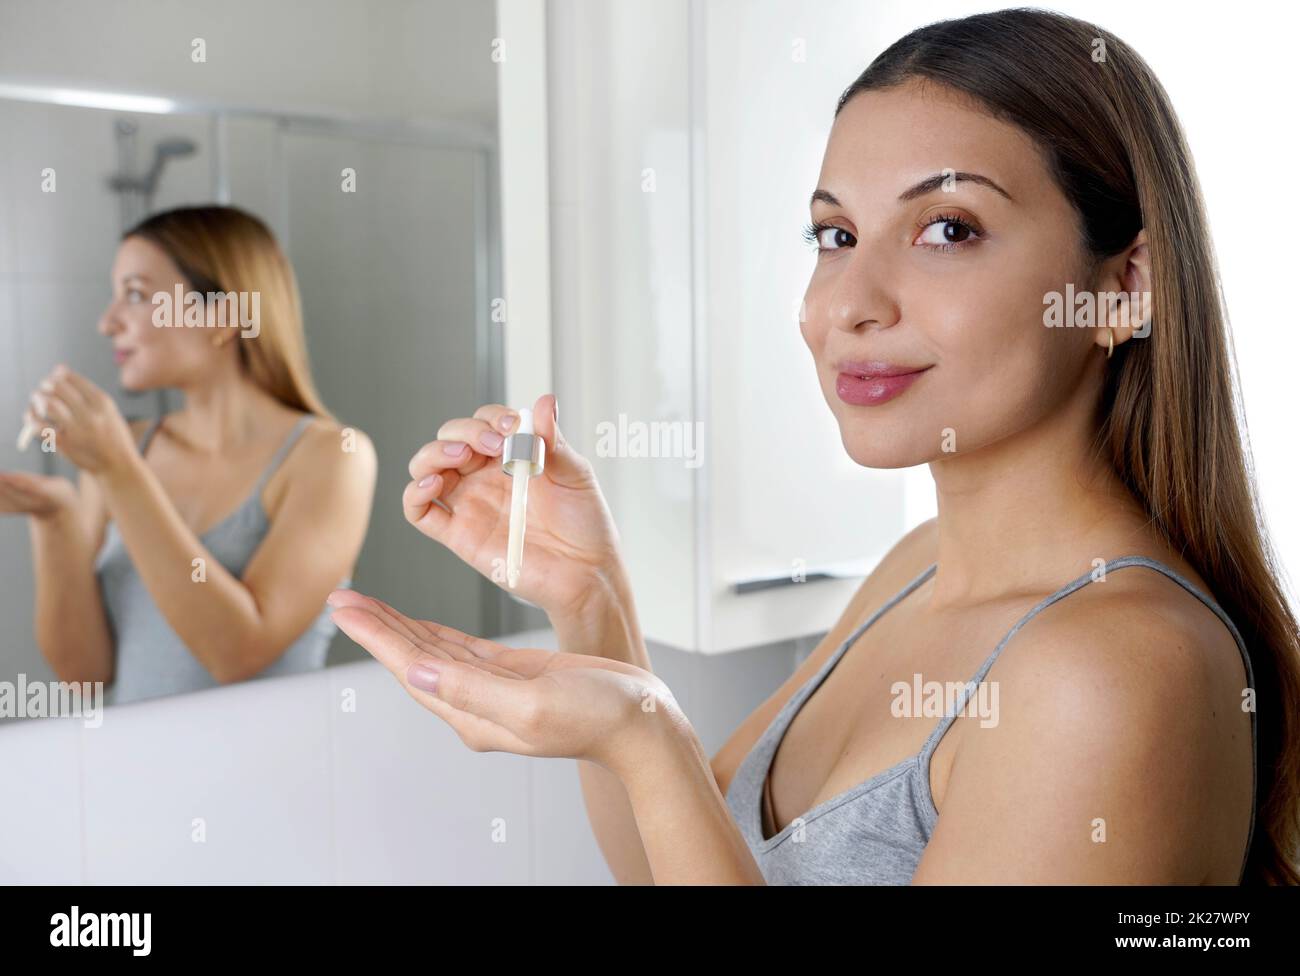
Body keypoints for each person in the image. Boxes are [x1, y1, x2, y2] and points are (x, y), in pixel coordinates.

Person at [324, 10, 1299, 884]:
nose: (846, 305)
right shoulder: (916, 570)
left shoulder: (1117, 671)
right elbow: (665, 865)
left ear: (1123, 286)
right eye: (834, 235)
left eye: (948, 228)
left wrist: (648, 734)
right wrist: (594, 604)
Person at [0, 205, 377, 706]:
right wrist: (55, 519)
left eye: (135, 295)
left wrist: (118, 470)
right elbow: (85, 672)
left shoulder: (332, 456)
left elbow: (237, 653)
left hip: (271, 771)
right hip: (141, 771)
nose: (107, 322)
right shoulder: (126, 449)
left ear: (220, 315)